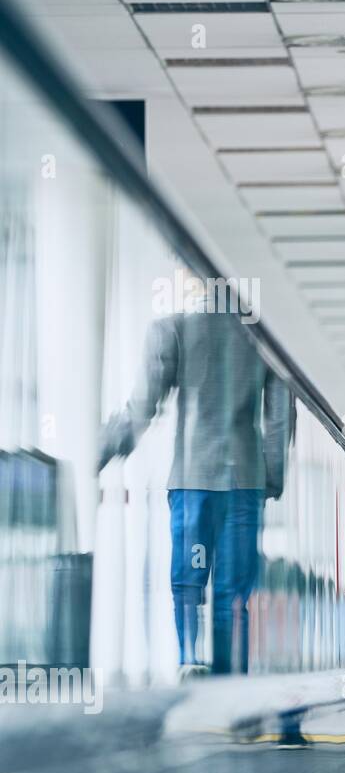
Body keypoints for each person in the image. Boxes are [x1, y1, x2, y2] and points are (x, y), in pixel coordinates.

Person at [99, 274, 290, 677]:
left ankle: (188, 657)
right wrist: (273, 474)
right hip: (245, 478)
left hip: (191, 475)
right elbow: (279, 417)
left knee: (188, 578)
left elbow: (141, 406)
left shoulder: (173, 328)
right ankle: (229, 673)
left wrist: (98, 452)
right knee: (233, 589)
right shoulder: (266, 339)